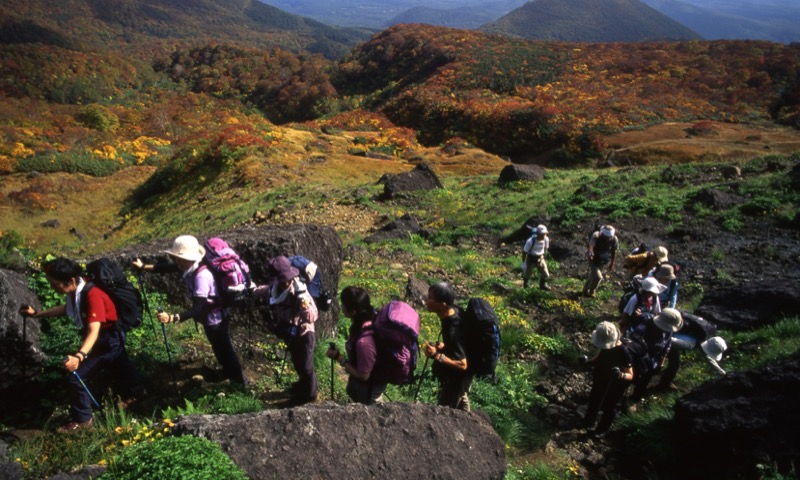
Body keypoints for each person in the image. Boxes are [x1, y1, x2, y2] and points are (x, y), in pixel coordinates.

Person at [20, 257, 145, 432]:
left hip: (108, 337)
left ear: (70, 280)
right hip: (110, 336)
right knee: (119, 363)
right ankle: (137, 391)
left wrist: (80, 356)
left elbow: (94, 330)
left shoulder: (93, 294)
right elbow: (67, 309)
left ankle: (83, 420)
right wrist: (37, 314)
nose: (51, 286)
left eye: (53, 282)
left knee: (75, 377)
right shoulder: (78, 289)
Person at [133, 235, 248, 386]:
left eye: (177, 257)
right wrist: (144, 267)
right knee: (219, 348)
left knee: (225, 349)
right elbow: (169, 268)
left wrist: (173, 317)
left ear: (186, 258)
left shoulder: (201, 276)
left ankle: (240, 382)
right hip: (212, 317)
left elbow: (197, 309)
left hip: (215, 319)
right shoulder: (190, 265)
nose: (175, 261)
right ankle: (229, 372)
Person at [256, 255, 319, 406]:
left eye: (286, 279)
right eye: (281, 280)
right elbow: (268, 290)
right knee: (297, 361)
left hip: (304, 332)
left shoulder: (299, 291)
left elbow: (313, 316)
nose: (285, 283)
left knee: (306, 366)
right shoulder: (276, 288)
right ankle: (302, 384)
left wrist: (304, 307)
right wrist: (255, 290)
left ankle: (309, 394)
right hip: (290, 331)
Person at [325, 286, 387, 404]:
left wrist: (339, 358)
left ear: (353, 312)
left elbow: (364, 376)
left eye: (343, 304)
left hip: (369, 395)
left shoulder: (364, 343)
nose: (341, 307)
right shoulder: (368, 321)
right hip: (366, 388)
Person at [422, 282, 473, 411]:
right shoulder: (454, 310)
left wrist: (436, 355)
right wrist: (445, 346)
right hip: (463, 376)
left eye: (430, 298)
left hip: (458, 379)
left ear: (442, 305)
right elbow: (463, 342)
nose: (426, 301)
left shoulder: (453, 330)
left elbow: (462, 364)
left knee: (446, 411)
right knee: (461, 403)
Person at [581, 322, 634, 435]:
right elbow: (601, 355)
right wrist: (589, 362)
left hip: (615, 383)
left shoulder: (624, 351)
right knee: (594, 398)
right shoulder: (606, 343)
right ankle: (589, 421)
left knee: (610, 406)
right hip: (601, 376)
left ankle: (602, 430)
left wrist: (620, 375)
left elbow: (630, 374)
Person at [655, 311, 726, 391]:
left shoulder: (706, 333)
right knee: (674, 363)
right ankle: (664, 384)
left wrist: (721, 372)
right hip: (665, 332)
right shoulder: (690, 344)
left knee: (674, 362)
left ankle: (665, 382)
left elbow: (708, 357)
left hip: (673, 322)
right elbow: (670, 340)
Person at [627, 307, 683, 405]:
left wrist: (661, 361)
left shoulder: (668, 330)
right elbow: (631, 348)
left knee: (644, 382)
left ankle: (634, 400)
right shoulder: (642, 329)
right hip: (638, 360)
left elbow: (667, 344)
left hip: (653, 361)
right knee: (633, 379)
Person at [582, 225, 619, 298]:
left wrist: (612, 263)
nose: (607, 238)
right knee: (598, 277)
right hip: (594, 259)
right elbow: (591, 246)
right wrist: (590, 254)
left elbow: (614, 251)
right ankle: (592, 290)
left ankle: (585, 290)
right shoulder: (596, 235)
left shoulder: (614, 239)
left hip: (603, 260)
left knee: (593, 275)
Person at [522, 224, 551, 290]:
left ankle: (542, 285)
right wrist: (523, 262)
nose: (543, 236)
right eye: (542, 234)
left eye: (545, 234)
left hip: (540, 258)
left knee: (546, 274)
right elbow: (524, 252)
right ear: (538, 233)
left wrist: (542, 256)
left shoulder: (546, 239)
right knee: (527, 274)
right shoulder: (530, 241)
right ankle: (526, 287)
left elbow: (546, 248)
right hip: (531, 259)